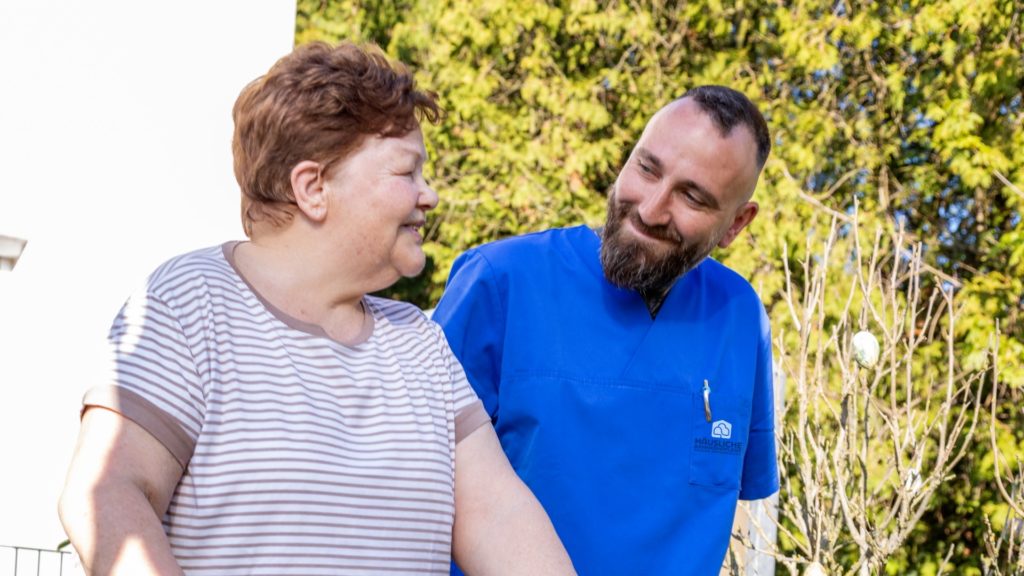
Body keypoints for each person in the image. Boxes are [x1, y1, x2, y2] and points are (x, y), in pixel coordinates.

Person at [58, 42, 575, 576]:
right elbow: (109, 492)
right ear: (313, 187)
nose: (430, 196)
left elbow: (497, 516)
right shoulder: (191, 302)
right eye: (407, 173)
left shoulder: (421, 345)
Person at [434, 85, 779, 575]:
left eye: (692, 196)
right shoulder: (499, 282)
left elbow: (736, 504)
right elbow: (408, 487)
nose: (650, 209)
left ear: (736, 224)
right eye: (647, 168)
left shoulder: (740, 316)